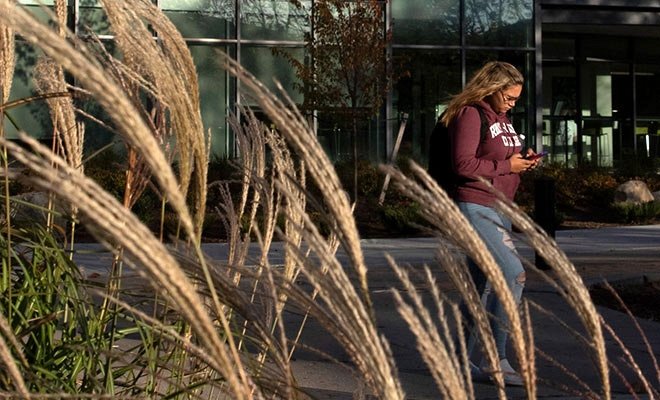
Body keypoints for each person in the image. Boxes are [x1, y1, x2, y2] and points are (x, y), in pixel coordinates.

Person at [440, 61, 540, 386]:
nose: (513, 103)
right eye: (509, 97)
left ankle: (458, 362)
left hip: (501, 208)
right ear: (492, 89)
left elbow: (500, 159)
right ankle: (497, 360)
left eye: (516, 99)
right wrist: (505, 165)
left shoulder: (502, 118)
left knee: (478, 286)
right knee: (513, 274)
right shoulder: (471, 114)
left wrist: (521, 162)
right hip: (475, 205)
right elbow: (463, 163)